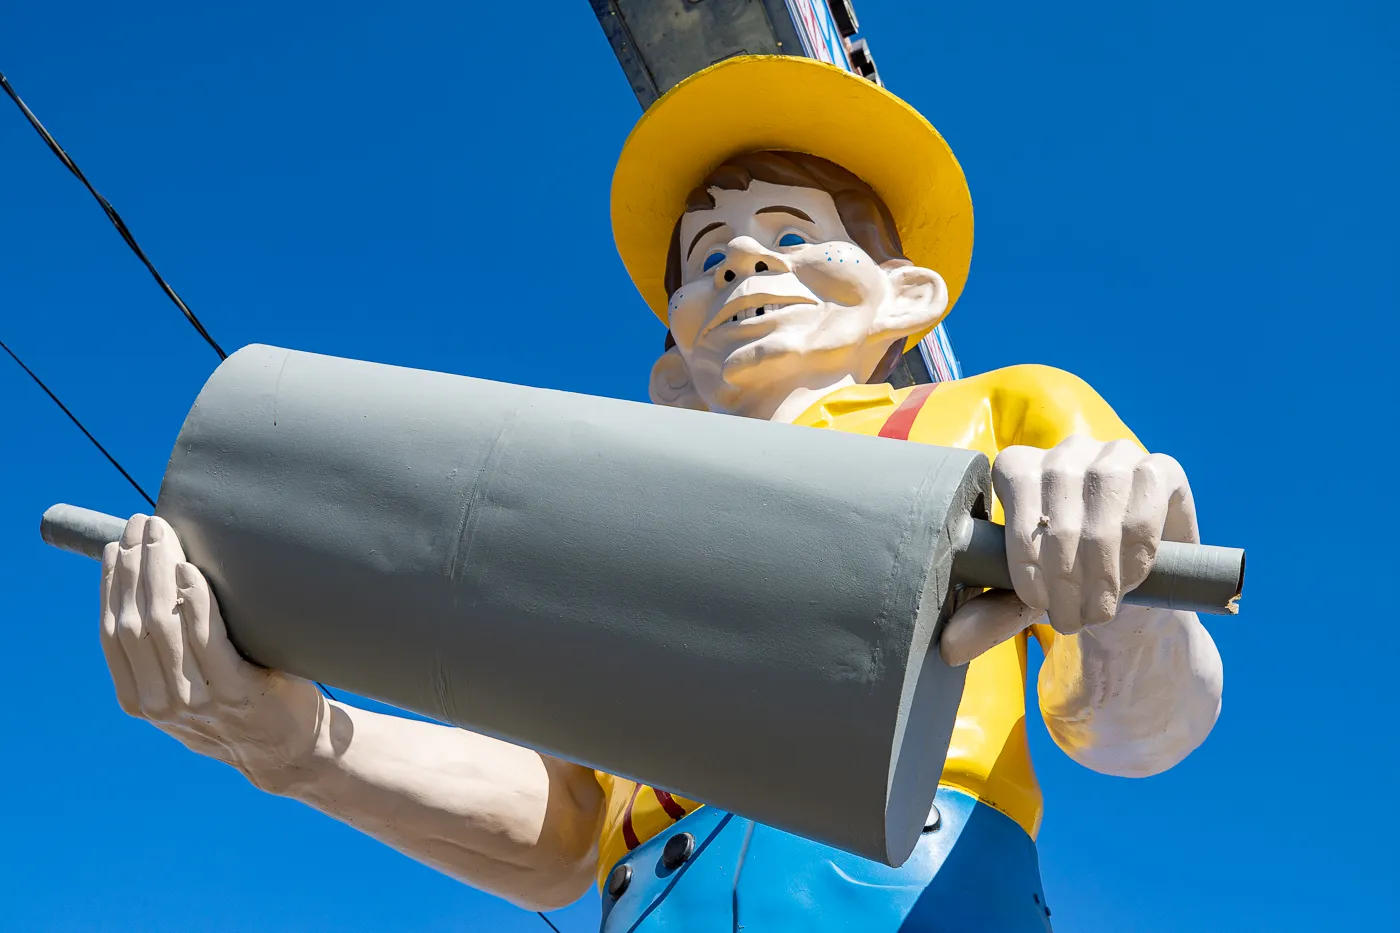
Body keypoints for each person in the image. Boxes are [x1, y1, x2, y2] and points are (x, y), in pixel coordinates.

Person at [97, 56, 1223, 931]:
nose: (740, 263)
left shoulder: (997, 415)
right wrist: (300, 743)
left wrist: (1120, 591)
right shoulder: (617, 509)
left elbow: (1132, 732)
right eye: (707, 256)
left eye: (793, 236)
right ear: (672, 361)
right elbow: (566, 829)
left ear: (904, 296)